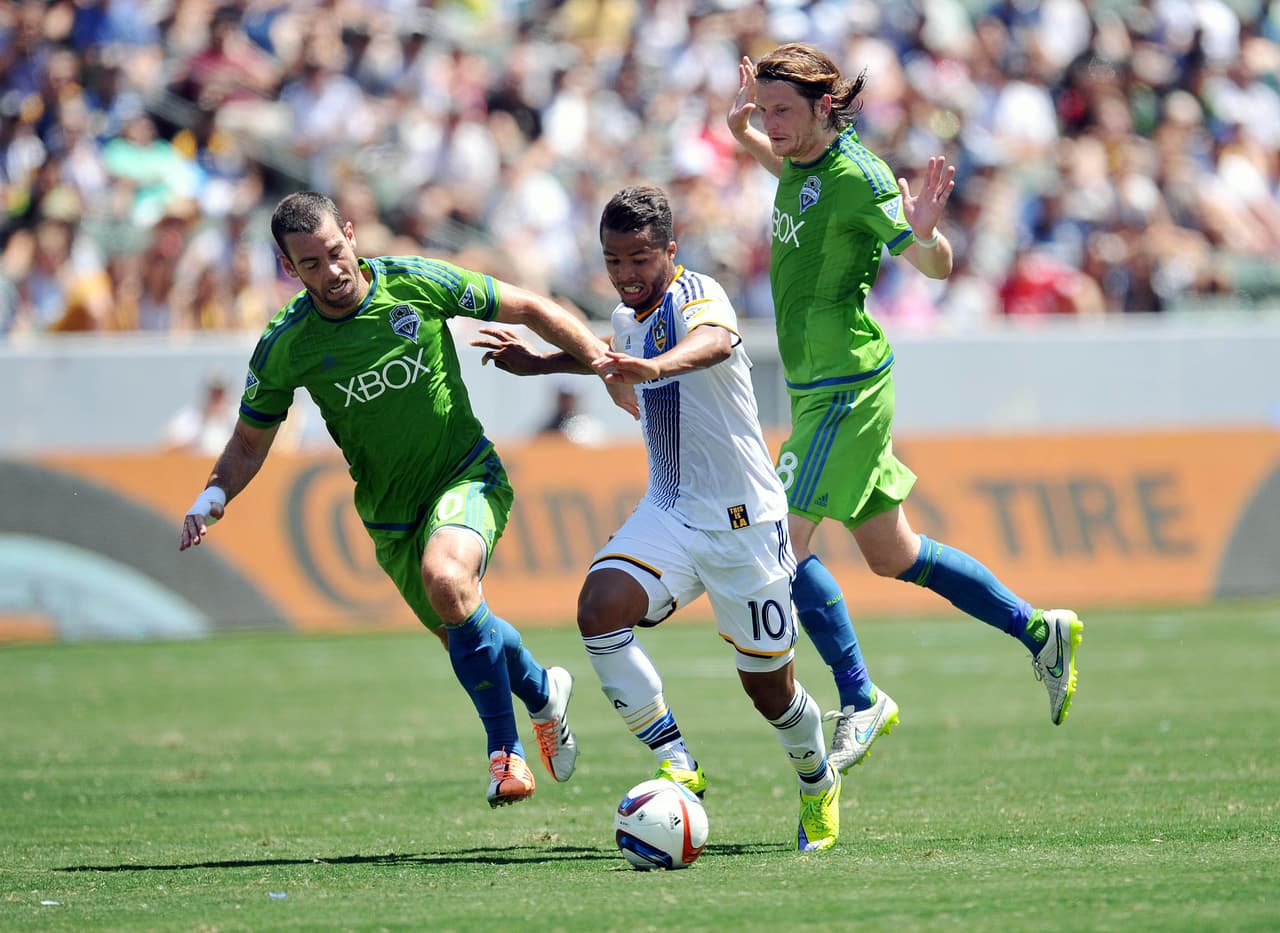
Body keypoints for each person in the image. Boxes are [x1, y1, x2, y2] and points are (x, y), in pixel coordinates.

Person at [178, 190, 637, 809]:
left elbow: (529, 306)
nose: (331, 272)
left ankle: (506, 756)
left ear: (350, 234)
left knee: (447, 579)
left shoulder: (415, 282)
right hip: (390, 516)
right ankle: (543, 695)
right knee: (465, 630)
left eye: (335, 252)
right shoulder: (288, 344)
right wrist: (214, 493)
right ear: (289, 269)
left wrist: (603, 366)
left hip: (465, 474)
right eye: (310, 264)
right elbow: (249, 440)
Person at [726, 44, 1084, 771]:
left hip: (843, 391)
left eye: (782, 111)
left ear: (826, 107)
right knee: (896, 554)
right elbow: (790, 174)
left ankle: (861, 698)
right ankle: (1038, 630)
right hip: (817, 387)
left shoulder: (860, 176)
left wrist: (924, 235)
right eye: (765, 110)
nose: (773, 123)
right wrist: (745, 135)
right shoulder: (799, 159)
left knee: (776, 549)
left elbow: (935, 262)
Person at [471, 185, 842, 852]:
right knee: (598, 609)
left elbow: (715, 341)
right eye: (614, 261)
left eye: (640, 259)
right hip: (670, 511)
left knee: (771, 692)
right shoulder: (624, 316)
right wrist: (542, 361)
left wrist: (658, 365)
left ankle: (817, 781)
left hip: (745, 525)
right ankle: (678, 759)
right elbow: (613, 359)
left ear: (670, 250)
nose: (627, 274)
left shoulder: (698, 296)